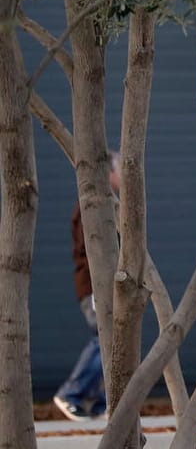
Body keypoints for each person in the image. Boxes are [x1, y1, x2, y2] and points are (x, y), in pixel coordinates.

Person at [54, 156, 120, 421]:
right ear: (108, 173)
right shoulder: (91, 206)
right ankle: (73, 392)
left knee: (112, 340)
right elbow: (92, 249)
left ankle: (100, 401)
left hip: (100, 285)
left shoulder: (104, 204)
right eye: (119, 172)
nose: (122, 179)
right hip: (95, 285)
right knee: (104, 338)